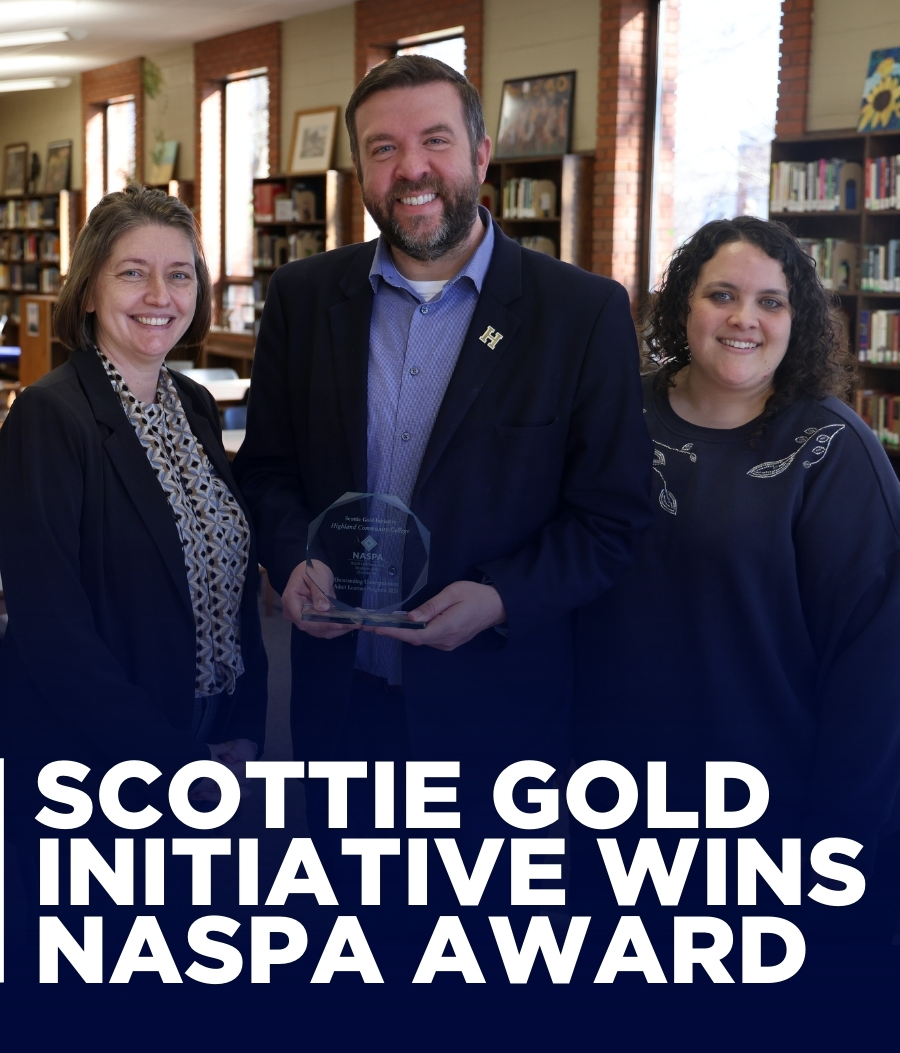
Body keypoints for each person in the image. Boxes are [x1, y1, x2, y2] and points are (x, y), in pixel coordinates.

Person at [232, 55, 653, 808]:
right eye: (383, 149)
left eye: (435, 141)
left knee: (487, 926)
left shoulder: (580, 315)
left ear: (481, 155)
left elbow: (611, 520)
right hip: (340, 711)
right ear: (360, 168)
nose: (411, 169)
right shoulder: (302, 299)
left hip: (498, 715)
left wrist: (500, 598)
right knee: (342, 920)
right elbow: (265, 473)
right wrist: (294, 558)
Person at [573, 216, 900, 941]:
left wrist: (833, 848)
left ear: (798, 322)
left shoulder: (832, 451)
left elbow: (879, 668)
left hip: (780, 825)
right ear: (683, 308)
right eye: (722, 294)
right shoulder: (616, 415)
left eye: (771, 302)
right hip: (622, 810)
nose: (745, 319)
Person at [0, 183, 266, 807]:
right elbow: (54, 635)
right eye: (133, 273)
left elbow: (233, 582)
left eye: (179, 275)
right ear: (88, 291)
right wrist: (175, 763)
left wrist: (245, 730)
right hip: (89, 767)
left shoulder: (192, 406)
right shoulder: (49, 417)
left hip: (206, 742)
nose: (160, 297)